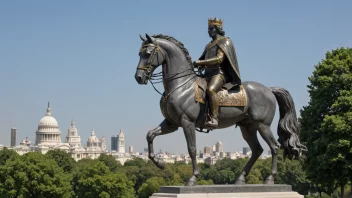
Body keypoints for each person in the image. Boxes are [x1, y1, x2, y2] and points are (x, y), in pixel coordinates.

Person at [193, 17, 241, 129]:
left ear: (218, 29)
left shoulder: (225, 41)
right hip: (207, 74)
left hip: (219, 74)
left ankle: (214, 118)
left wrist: (200, 62)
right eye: (208, 29)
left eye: (211, 28)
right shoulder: (209, 45)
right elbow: (205, 62)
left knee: (211, 90)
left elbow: (219, 59)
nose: (209, 31)